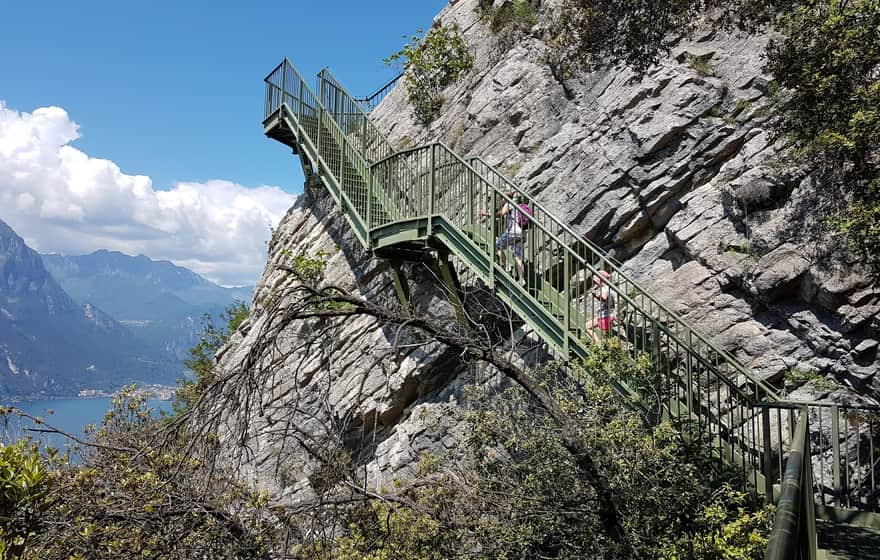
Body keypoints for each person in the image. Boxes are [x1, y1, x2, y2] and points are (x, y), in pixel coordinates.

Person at [489, 191, 525, 285]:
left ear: (504, 198)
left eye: (500, 199)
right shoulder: (517, 207)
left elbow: (500, 214)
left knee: (496, 246)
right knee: (517, 256)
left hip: (512, 233)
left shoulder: (508, 205)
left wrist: (487, 215)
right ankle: (521, 279)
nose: (500, 201)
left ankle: (506, 266)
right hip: (521, 234)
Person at [586, 270, 615, 344]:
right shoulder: (607, 288)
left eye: (596, 281)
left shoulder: (605, 288)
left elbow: (604, 298)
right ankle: (598, 343)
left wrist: (595, 295)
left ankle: (605, 349)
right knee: (587, 326)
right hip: (603, 315)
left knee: (605, 337)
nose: (595, 283)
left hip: (605, 316)